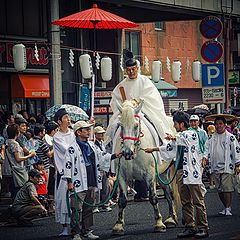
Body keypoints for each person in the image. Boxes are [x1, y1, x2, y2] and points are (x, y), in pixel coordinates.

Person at [145, 111, 209, 238]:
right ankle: (190, 226)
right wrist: (154, 149)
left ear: (181, 123)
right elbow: (170, 147)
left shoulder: (192, 133)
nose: (174, 126)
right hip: (180, 171)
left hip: (192, 172)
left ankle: (203, 227)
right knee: (185, 201)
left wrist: (174, 137)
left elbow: (184, 138)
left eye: (175, 123)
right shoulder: (180, 136)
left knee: (198, 201)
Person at [63, 121, 121, 240]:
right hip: (77, 182)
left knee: (88, 208)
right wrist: (69, 182)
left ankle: (87, 231)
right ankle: (76, 233)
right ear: (78, 132)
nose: (89, 131)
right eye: (86, 129)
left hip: (91, 180)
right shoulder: (72, 148)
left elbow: (102, 156)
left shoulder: (91, 145)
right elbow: (68, 165)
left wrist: (115, 155)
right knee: (76, 209)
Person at [106, 51, 173, 144]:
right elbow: (115, 100)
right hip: (127, 112)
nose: (131, 72)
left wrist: (138, 100)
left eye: (133, 69)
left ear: (137, 68)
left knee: (156, 123)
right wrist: (126, 106)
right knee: (113, 126)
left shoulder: (145, 81)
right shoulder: (121, 85)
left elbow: (151, 95)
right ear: (126, 71)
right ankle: (109, 147)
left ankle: (162, 144)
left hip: (144, 110)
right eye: (128, 70)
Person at [203, 116, 240, 216]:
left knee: (227, 188)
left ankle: (228, 208)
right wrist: (205, 157)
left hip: (227, 166)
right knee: (219, 189)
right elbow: (206, 148)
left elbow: (236, 150)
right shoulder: (211, 137)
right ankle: (225, 207)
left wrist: (237, 164)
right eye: (217, 124)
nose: (218, 126)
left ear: (224, 125)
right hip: (215, 166)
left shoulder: (230, 137)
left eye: (220, 124)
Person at [53, 108, 75, 236]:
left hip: (75, 171)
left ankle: (77, 226)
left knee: (75, 201)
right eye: (66, 117)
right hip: (64, 173)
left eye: (68, 117)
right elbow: (68, 150)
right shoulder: (57, 137)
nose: (69, 119)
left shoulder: (73, 133)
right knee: (63, 200)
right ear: (59, 121)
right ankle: (65, 228)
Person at [5, 124, 36, 199]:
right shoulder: (15, 144)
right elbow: (18, 158)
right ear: (17, 133)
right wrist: (30, 155)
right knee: (17, 190)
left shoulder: (7, 142)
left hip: (9, 170)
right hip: (16, 170)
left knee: (13, 189)